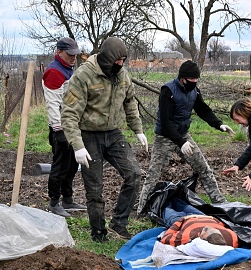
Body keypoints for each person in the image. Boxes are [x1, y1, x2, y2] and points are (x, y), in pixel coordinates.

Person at [61, 37, 149, 242]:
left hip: (113, 132)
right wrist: (77, 145)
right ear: (106, 59)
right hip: (88, 135)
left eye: (123, 62)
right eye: (116, 62)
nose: (120, 66)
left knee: (134, 174)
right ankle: (98, 232)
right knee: (95, 187)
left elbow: (130, 102)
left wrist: (138, 129)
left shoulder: (122, 75)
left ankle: (119, 223)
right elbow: (69, 113)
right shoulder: (84, 76)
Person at [137, 60, 234, 214]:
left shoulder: (194, 91)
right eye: (191, 81)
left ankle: (220, 203)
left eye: (196, 81)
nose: (194, 84)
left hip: (184, 135)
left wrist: (219, 124)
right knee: (153, 174)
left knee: (203, 168)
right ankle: (142, 210)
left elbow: (203, 110)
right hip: (165, 137)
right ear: (182, 79)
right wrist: (181, 142)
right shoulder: (167, 91)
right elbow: (166, 122)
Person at [42, 36, 86, 218]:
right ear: (59, 52)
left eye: (75, 55)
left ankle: (68, 199)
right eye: (69, 55)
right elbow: (53, 103)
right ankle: (54, 202)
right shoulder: (54, 72)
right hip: (60, 128)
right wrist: (58, 129)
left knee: (72, 165)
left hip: (72, 125)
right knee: (60, 166)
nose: (73, 58)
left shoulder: (67, 68)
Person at [159, 199, 239, 248]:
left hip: (180, 220)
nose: (206, 226)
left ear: (202, 239)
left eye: (205, 230)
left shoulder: (187, 236)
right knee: (183, 204)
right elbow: (222, 224)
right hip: (203, 216)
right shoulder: (231, 237)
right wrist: (211, 218)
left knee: (167, 208)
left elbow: (165, 238)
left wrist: (181, 221)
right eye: (213, 229)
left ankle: (165, 200)